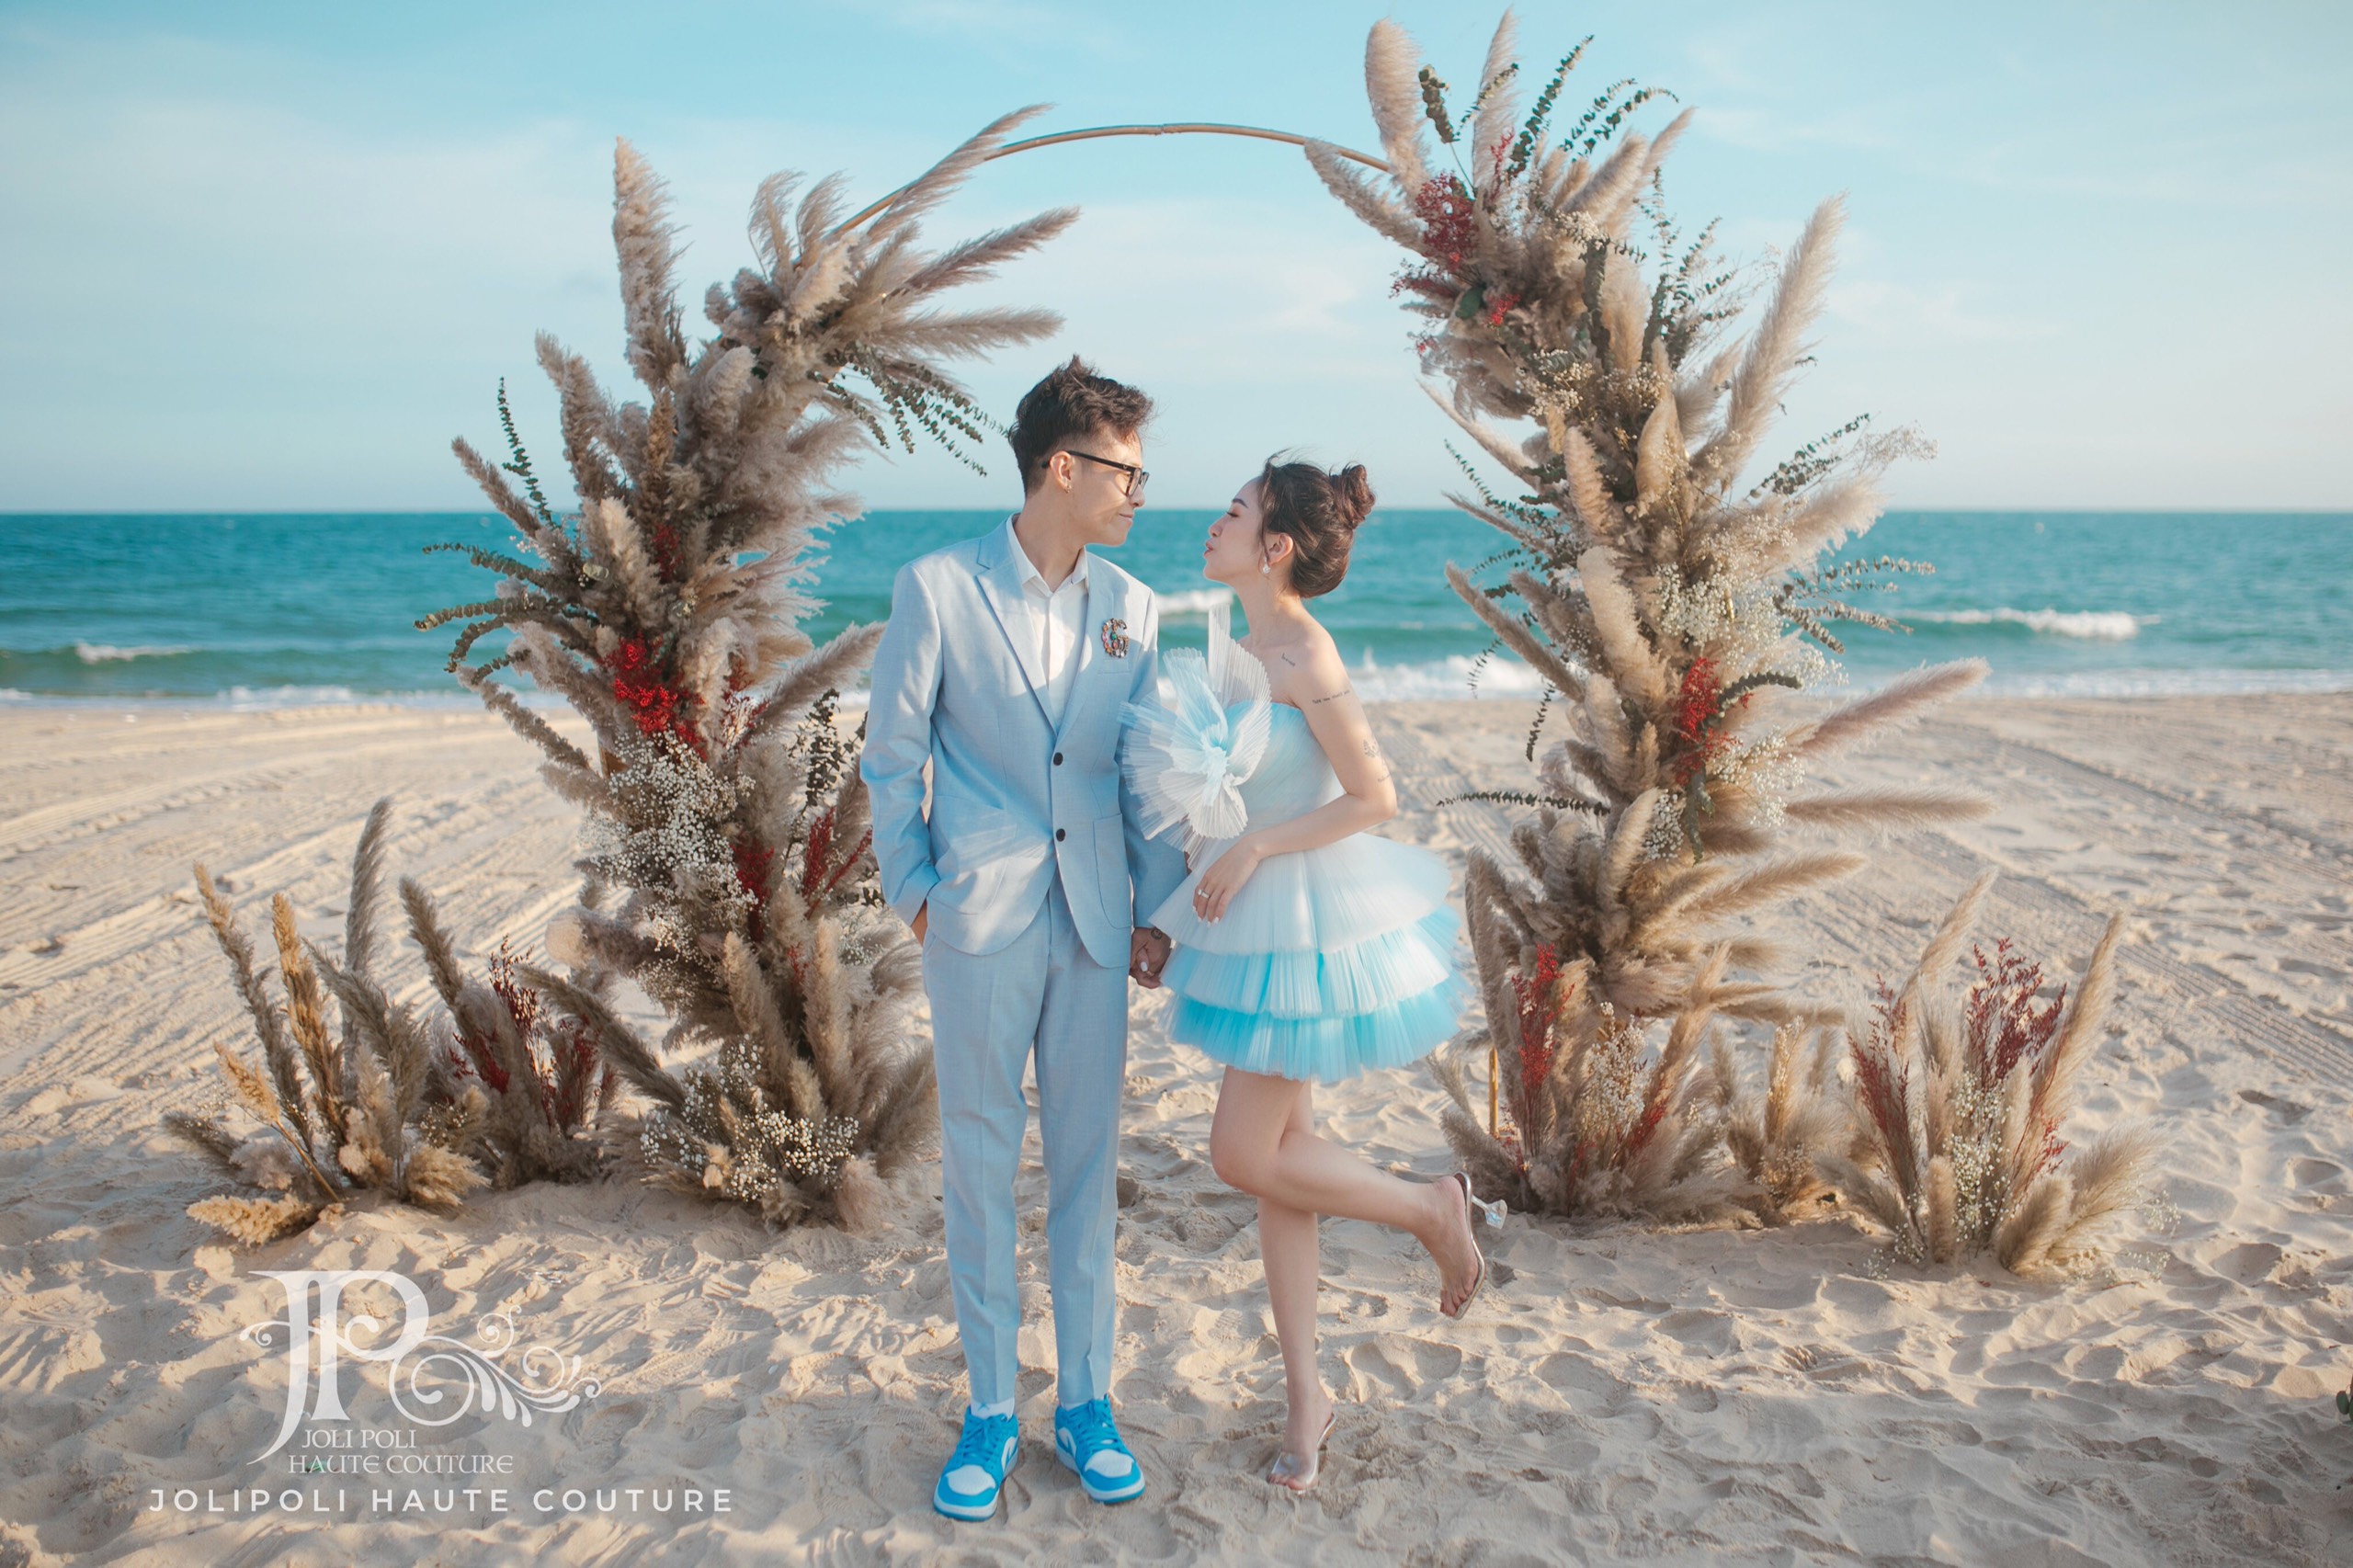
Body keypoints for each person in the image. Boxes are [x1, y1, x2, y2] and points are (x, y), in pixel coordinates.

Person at [1118, 457, 1504, 1494]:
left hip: (1302, 927)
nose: (1215, 523)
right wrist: (1165, 915)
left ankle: (1431, 1208)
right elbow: (1205, 811)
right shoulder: (1235, 650)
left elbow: (1375, 795)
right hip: (1241, 928)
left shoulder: (1307, 651)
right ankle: (1306, 1397)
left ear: (1276, 545)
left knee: (1242, 1152)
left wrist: (1256, 849)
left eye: (1235, 511)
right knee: (1277, 1164)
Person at [859, 358, 1188, 1523]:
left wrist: (1158, 908)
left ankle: (1087, 1400)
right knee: (982, 1162)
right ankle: (991, 1407)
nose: (1139, 492)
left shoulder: (1134, 607)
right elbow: (890, 756)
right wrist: (915, 891)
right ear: (1062, 466)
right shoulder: (937, 587)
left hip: (1095, 920)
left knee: (1089, 1168)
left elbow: (1144, 771)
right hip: (979, 917)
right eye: (1125, 472)